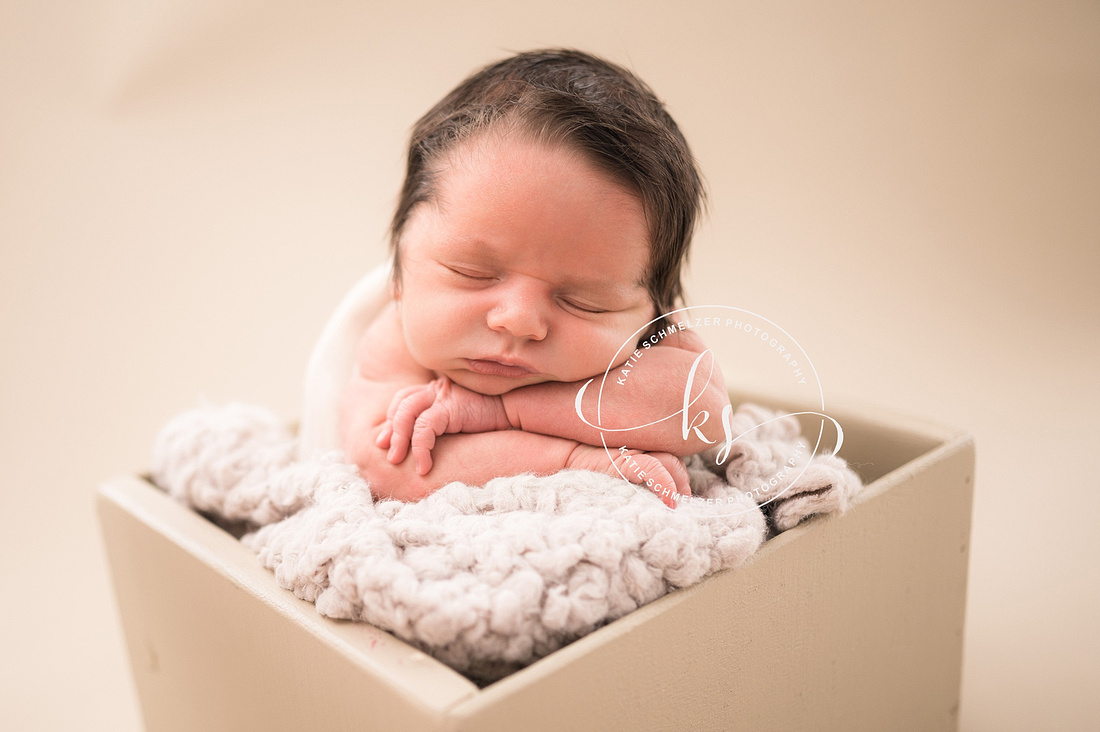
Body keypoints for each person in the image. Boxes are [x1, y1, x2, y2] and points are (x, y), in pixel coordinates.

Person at [338, 49, 731, 508]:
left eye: (585, 301)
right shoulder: (394, 340)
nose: (520, 320)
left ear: (652, 314)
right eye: (474, 273)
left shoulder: (651, 337)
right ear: (401, 276)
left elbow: (703, 414)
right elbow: (391, 468)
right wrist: (572, 458)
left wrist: (500, 411)